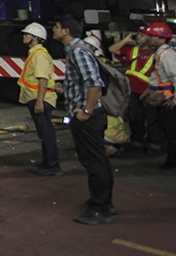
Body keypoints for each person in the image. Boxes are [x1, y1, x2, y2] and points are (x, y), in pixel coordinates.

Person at [53, 15, 114, 225]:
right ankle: (104, 201)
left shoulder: (78, 52)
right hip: (87, 114)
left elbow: (94, 84)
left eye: (57, 27)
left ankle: (100, 208)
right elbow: (83, 83)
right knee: (98, 160)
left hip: (87, 117)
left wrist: (86, 111)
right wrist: (65, 88)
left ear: (66, 31)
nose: (54, 29)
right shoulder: (77, 51)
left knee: (93, 161)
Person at [142, 22, 176, 176]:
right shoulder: (161, 53)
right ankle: (173, 161)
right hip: (164, 100)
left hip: (169, 101)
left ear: (161, 39)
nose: (149, 39)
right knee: (170, 134)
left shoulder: (166, 55)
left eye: (152, 36)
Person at [108, 25, 162, 152]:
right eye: (137, 34)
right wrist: (126, 40)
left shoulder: (157, 53)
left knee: (152, 118)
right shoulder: (131, 50)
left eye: (142, 35)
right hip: (133, 91)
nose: (138, 37)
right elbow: (112, 49)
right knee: (136, 117)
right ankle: (137, 142)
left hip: (149, 91)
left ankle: (153, 143)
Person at [19, 22, 62, 176]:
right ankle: (48, 163)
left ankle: (52, 165)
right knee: (44, 133)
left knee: (47, 133)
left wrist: (39, 101)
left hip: (40, 99)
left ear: (35, 38)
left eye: (27, 34)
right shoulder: (35, 53)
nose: (24, 36)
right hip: (38, 98)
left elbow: (42, 79)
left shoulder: (39, 55)